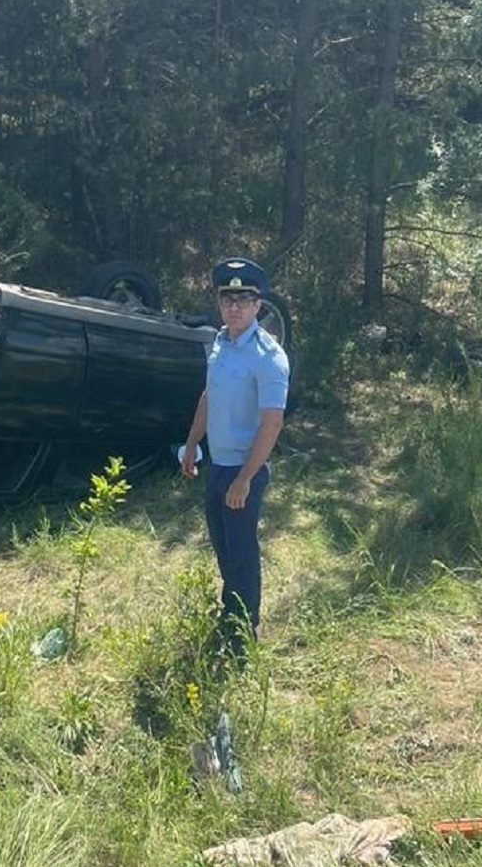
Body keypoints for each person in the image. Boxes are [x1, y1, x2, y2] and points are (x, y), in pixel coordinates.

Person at [181, 257, 290, 662]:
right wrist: (192, 444)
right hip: (217, 464)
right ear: (219, 302)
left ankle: (244, 635)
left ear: (258, 305)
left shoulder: (268, 356)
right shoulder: (220, 342)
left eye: (244, 299)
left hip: (244, 470)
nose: (235, 307)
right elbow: (210, 396)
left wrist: (245, 478)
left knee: (242, 552)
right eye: (228, 298)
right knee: (224, 548)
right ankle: (231, 614)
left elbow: (272, 423)